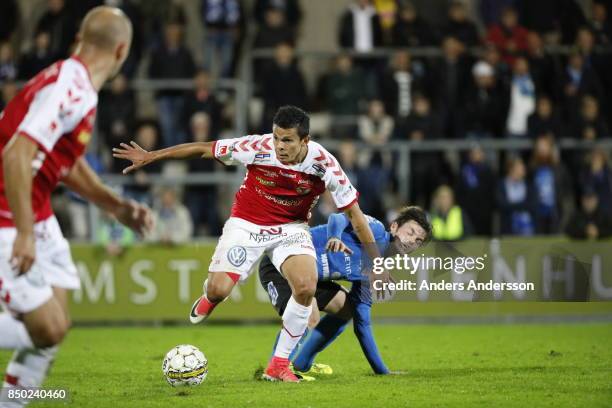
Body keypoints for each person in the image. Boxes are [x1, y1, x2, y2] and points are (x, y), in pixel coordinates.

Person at [113, 105, 384, 383]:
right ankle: (211, 296)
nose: (279, 145)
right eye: (277, 137)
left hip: (291, 228)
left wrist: (376, 264)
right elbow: (205, 148)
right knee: (220, 290)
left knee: (306, 286)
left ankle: (278, 364)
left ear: (305, 140)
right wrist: (152, 156)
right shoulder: (257, 146)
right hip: (247, 224)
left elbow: (356, 217)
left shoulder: (324, 164)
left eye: (287, 140)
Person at [0, 7, 152, 405]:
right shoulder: (72, 86)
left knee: (57, 324)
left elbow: (65, 163)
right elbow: (17, 153)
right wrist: (25, 233)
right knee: (46, 329)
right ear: (122, 51)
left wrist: (116, 206)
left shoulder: (76, 84)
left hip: (35, 208)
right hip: (8, 210)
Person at [259, 206, 432, 377]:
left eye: (418, 241)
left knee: (346, 308)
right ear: (394, 226)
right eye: (410, 232)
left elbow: (362, 324)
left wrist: (382, 371)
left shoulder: (375, 271)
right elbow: (338, 217)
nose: (411, 241)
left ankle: (302, 364)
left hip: (311, 279)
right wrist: (334, 236)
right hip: (281, 263)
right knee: (309, 315)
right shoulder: (375, 231)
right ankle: (275, 370)